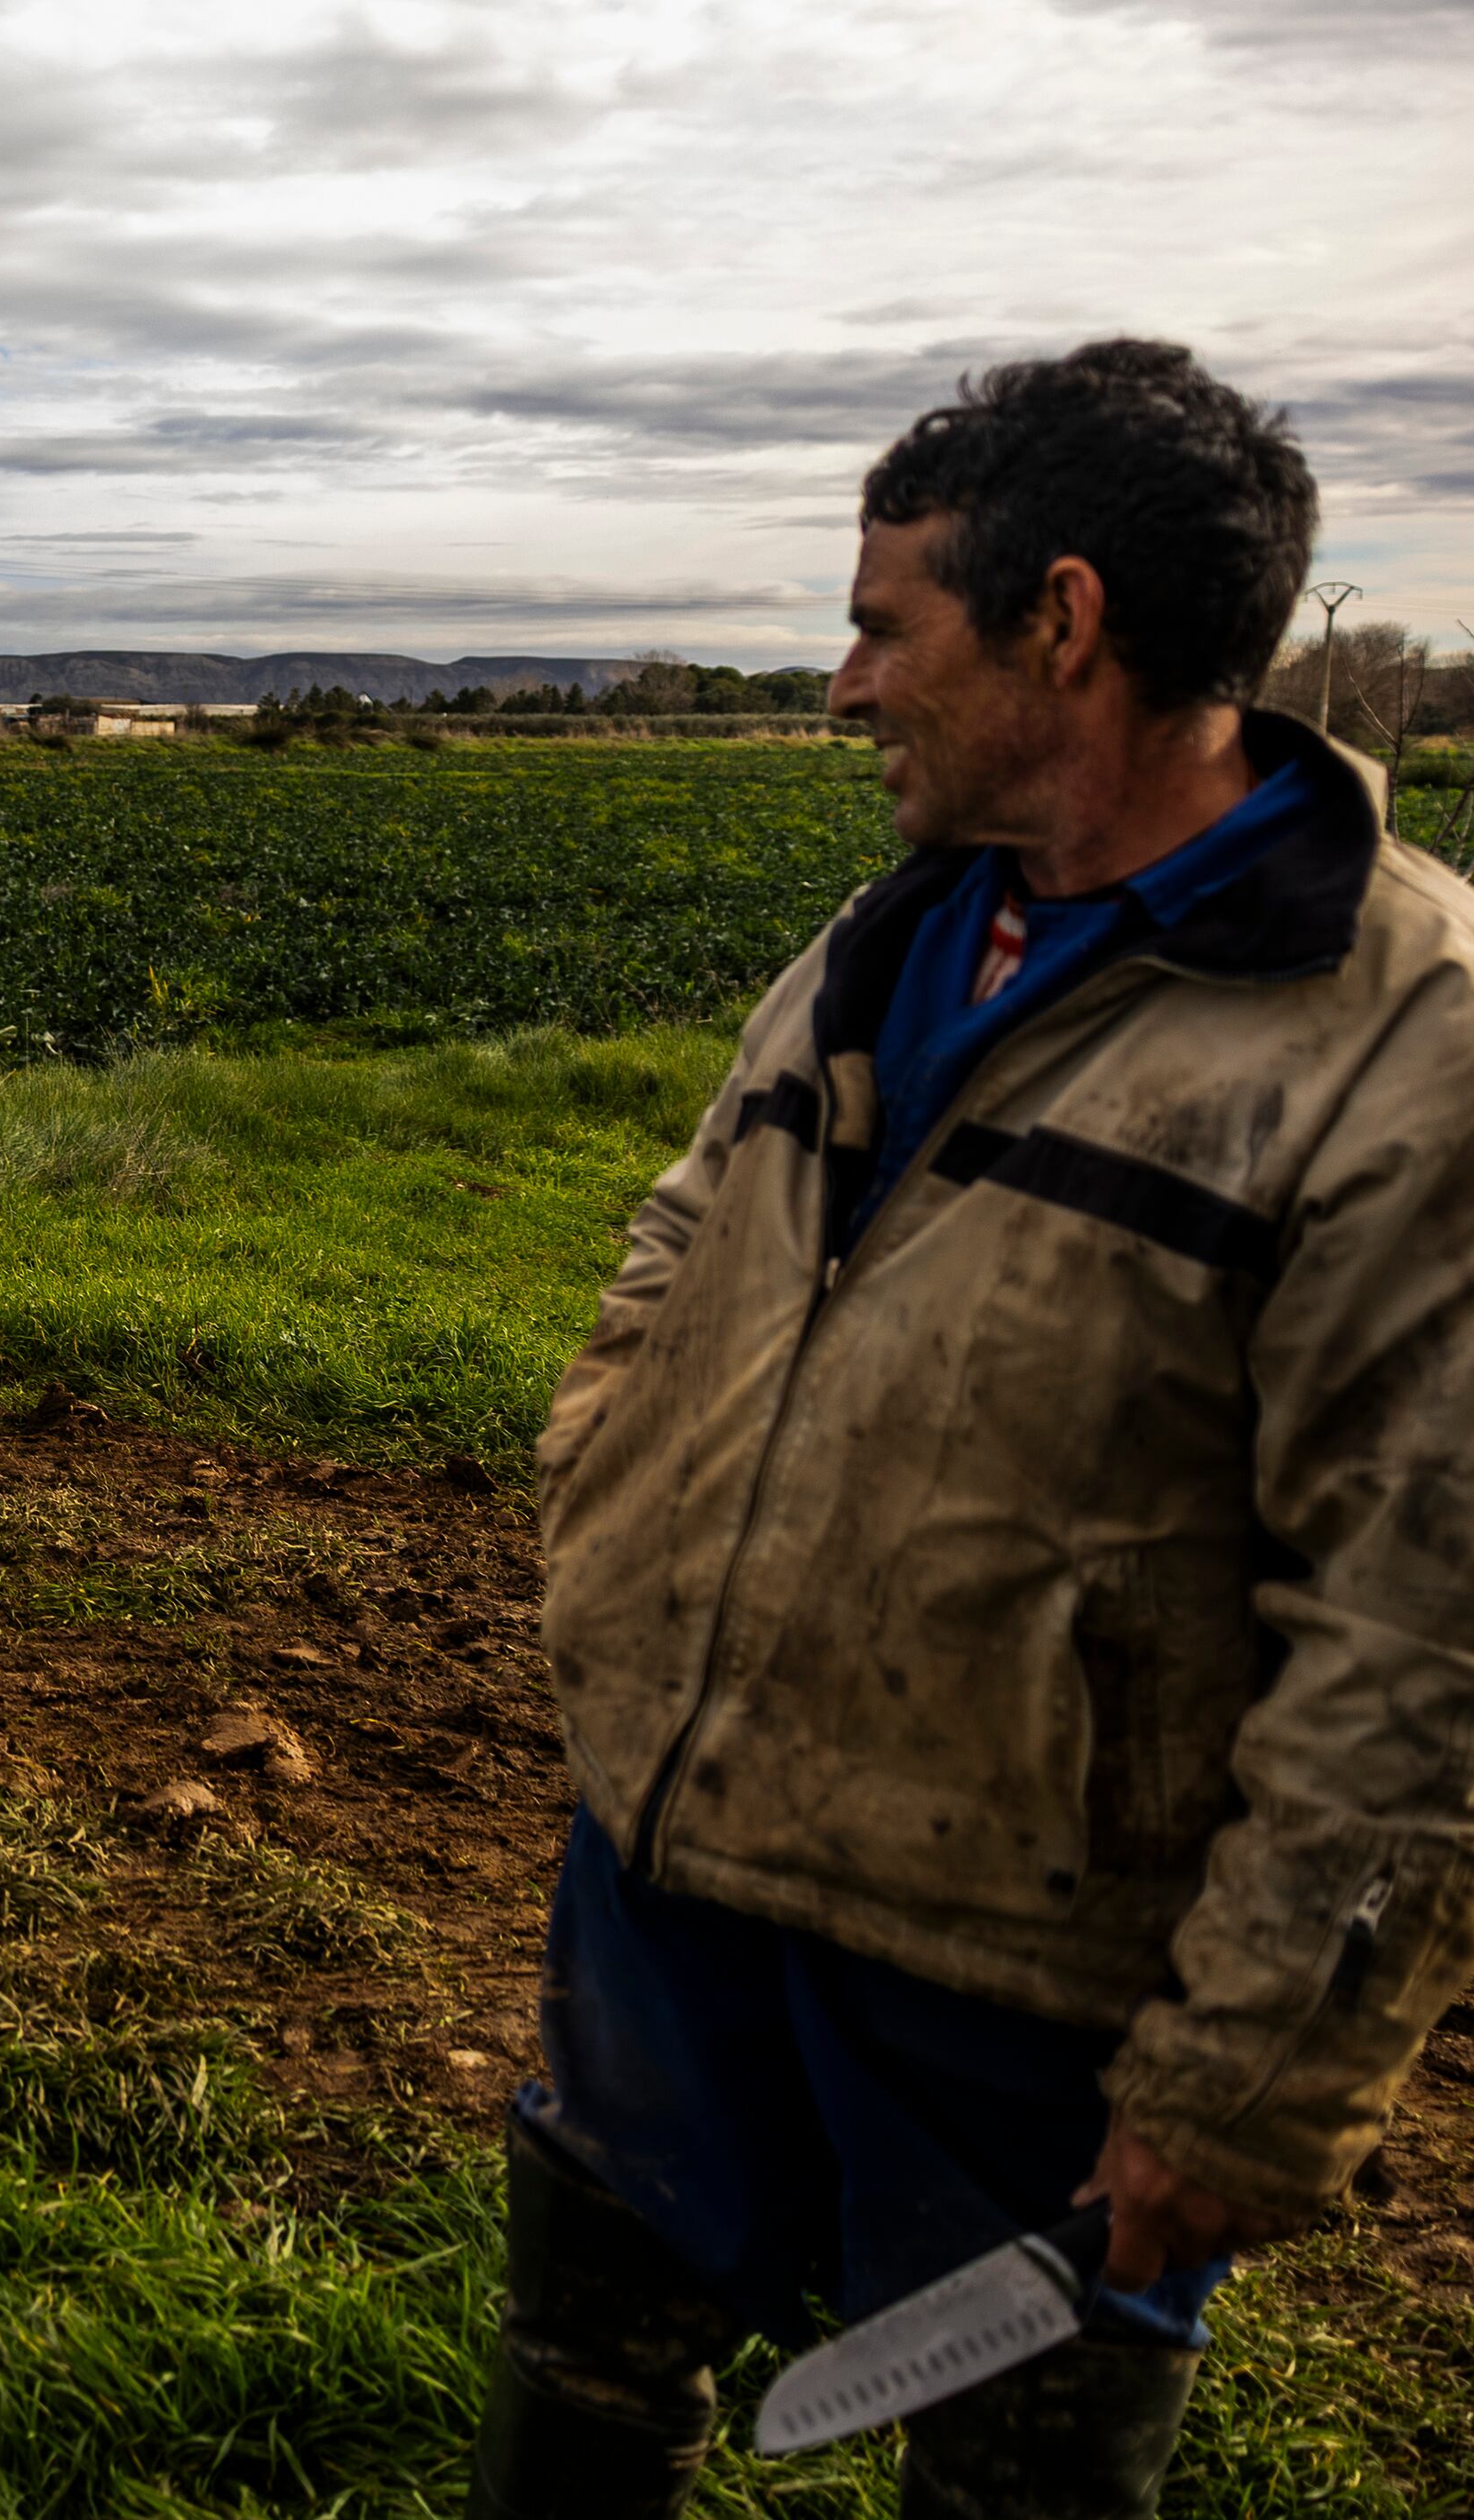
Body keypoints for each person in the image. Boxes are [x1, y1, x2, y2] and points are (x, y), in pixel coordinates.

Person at [467, 340, 1474, 2517]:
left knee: (1016, 2482)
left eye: (881, 622)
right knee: (574, 2396)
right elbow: (682, 1230)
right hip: (673, 1869)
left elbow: (1426, 1642)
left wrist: (1249, 2083)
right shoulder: (889, 932)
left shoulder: (1410, 1046)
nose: (842, 686)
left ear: (1064, 622)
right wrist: (606, 1483)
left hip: (1023, 1972)